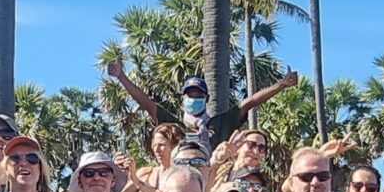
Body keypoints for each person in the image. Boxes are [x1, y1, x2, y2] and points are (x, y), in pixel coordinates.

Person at [104, 58, 297, 155]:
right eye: (190, 95)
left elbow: (250, 102)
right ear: (183, 98)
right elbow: (146, 102)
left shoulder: (219, 123)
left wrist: (281, 85)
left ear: (207, 98)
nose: (194, 98)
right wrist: (121, 76)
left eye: (199, 96)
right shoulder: (173, 125)